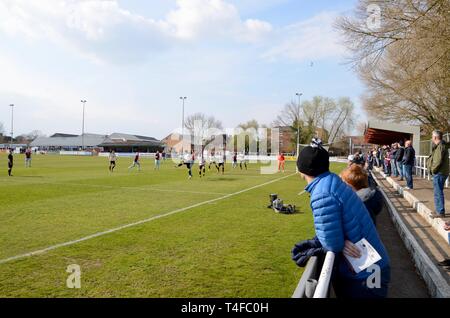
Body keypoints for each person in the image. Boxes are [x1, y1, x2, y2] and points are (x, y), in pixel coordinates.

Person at [296, 139, 390, 298]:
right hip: (372, 267)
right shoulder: (333, 181)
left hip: (367, 273)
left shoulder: (322, 193)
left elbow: (332, 242)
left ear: (301, 169)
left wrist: (340, 242)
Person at [427, 130, 449, 218]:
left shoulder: (440, 146)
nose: (431, 138)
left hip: (439, 172)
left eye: (432, 136)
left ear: (435, 137)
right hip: (440, 172)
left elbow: (437, 161)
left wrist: (433, 170)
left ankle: (440, 211)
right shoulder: (440, 146)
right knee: (437, 191)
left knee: (438, 192)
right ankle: (438, 210)